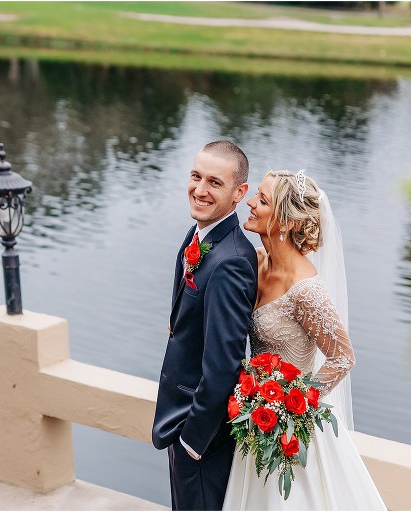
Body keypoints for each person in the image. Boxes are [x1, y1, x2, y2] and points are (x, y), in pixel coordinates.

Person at [221, 170, 386, 510]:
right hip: (255, 419)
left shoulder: (306, 289)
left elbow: (343, 358)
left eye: (263, 200)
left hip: (288, 427)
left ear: (283, 221)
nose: (251, 203)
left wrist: (288, 404)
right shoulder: (256, 261)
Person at [152, 140, 259, 511]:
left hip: (201, 438)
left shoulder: (231, 261)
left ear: (238, 193)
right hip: (179, 420)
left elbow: (223, 367)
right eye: (196, 176)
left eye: (214, 182)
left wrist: (191, 442)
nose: (199, 189)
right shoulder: (199, 237)